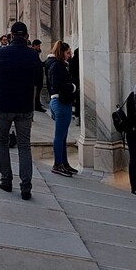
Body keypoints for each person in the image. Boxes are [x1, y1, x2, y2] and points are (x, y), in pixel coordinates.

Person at [0, 21, 43, 200]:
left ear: (11, 36)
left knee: (2, 142)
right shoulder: (33, 55)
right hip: (25, 106)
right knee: (24, 146)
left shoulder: (1, 52)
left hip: (4, 104)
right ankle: (26, 186)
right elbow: (38, 81)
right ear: (27, 37)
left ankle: (6, 180)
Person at [45, 41, 78, 177]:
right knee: (59, 136)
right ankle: (58, 164)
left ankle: (64, 163)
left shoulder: (57, 65)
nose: (70, 55)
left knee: (63, 135)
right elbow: (61, 85)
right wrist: (74, 87)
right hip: (61, 102)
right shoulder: (57, 67)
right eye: (68, 53)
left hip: (59, 102)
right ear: (61, 53)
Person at [31, 39, 48, 114]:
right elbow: (37, 65)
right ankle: (36, 105)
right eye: (38, 46)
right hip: (36, 77)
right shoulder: (33, 53)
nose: (39, 47)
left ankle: (37, 104)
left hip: (38, 76)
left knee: (38, 92)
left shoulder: (36, 53)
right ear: (34, 46)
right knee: (36, 93)